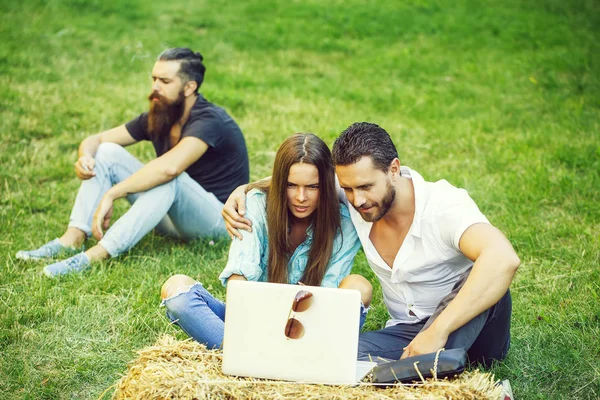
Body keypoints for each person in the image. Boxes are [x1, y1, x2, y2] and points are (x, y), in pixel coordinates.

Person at [222, 122, 520, 367]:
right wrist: (244, 191)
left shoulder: (443, 206)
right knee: (326, 355)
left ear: (394, 169)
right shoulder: (356, 197)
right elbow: (298, 177)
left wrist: (438, 331)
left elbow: (503, 258)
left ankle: (431, 363)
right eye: (348, 189)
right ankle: (424, 367)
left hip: (469, 326)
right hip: (405, 334)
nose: (357, 199)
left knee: (481, 273)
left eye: (365, 187)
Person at [16, 48, 249, 277]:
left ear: (190, 87)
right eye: (154, 79)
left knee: (171, 178)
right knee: (106, 152)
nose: (155, 86)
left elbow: (170, 168)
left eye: (165, 81)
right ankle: (73, 237)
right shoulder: (161, 115)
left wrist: (113, 193)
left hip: (217, 221)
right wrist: (85, 157)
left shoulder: (210, 120)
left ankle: (94, 256)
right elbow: (96, 140)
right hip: (170, 215)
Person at [160, 133, 371, 349]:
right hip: (253, 319)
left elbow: (328, 296)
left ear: (325, 185)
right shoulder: (256, 204)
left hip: (310, 330)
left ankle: (245, 353)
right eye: (291, 185)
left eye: (312, 187)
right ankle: (242, 352)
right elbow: (239, 280)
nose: (300, 197)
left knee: (359, 286)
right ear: (280, 183)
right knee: (177, 290)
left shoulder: (344, 222)